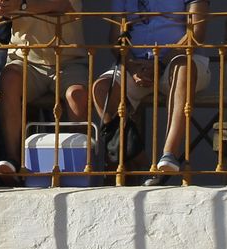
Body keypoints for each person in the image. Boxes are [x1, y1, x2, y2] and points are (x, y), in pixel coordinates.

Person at [88, 0, 206, 184]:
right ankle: (139, 158)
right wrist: (131, 65)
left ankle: (169, 156)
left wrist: (160, 63)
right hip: (136, 63)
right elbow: (115, 36)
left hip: (178, 59)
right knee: (102, 88)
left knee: (184, 68)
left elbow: (196, 33)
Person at [0, 0, 84, 181]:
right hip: (26, 60)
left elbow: (61, 5)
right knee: (9, 80)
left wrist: (20, 6)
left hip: (68, 61)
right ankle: (12, 161)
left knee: (76, 94)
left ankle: (79, 162)